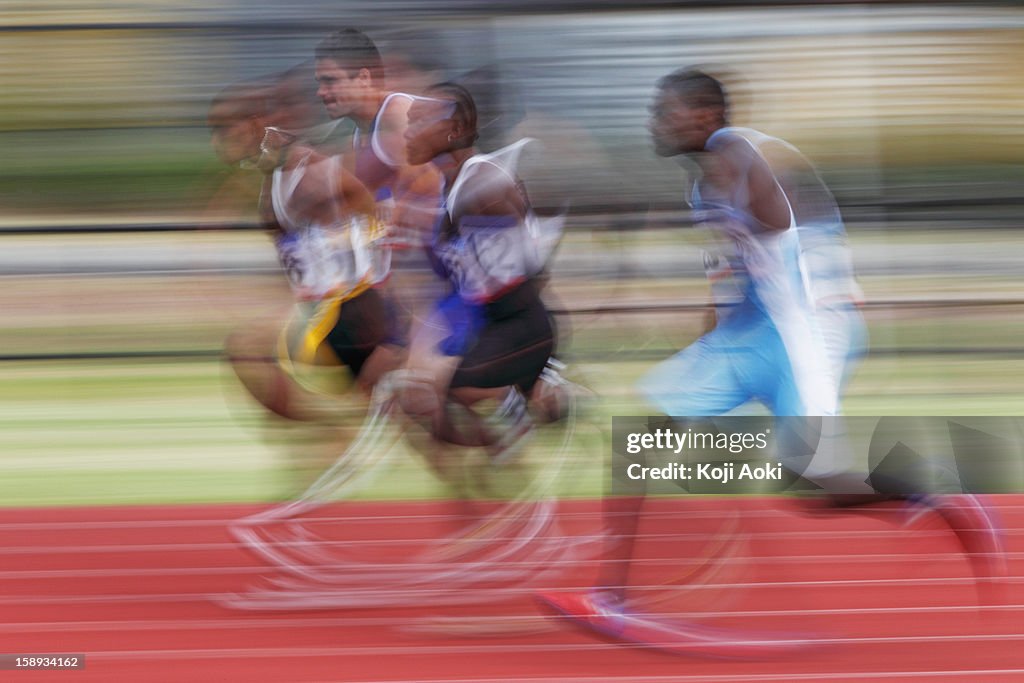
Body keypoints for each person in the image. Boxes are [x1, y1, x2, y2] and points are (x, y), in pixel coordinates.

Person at [536, 67, 1004, 651]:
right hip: (749, 331)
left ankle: (937, 495)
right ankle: (612, 598)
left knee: (814, 483)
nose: (654, 121)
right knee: (648, 433)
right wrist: (709, 330)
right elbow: (731, 269)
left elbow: (780, 221)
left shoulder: (736, 153)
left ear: (704, 116)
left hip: (800, 332)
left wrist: (783, 228)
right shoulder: (703, 183)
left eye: (666, 110)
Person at [397, 82, 566, 462]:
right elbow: (452, 269)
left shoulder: (480, 178)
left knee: (444, 391)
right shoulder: (446, 185)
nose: (406, 132)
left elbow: (519, 228)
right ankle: (524, 417)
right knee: (420, 400)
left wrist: (422, 220)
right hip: (486, 320)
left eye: (418, 122)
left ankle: (522, 408)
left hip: (519, 322)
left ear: (454, 131)